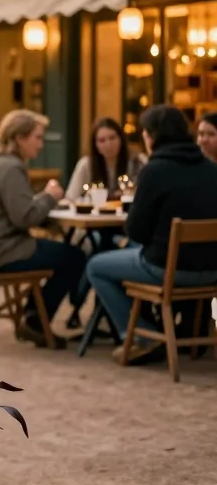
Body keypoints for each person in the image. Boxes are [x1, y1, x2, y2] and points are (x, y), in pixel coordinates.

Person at [86, 105, 217, 364]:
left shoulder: (154, 171)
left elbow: (136, 230)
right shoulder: (212, 169)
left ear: (151, 136)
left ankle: (144, 337)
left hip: (167, 270)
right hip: (213, 270)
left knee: (96, 265)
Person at [0, 109, 83, 348]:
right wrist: (49, 197)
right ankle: (35, 321)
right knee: (75, 258)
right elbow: (24, 218)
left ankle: (32, 313)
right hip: (4, 252)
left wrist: (42, 201)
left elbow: (15, 208)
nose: (41, 144)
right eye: (37, 137)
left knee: (65, 254)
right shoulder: (10, 167)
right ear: (19, 138)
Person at [65, 117, 146, 200]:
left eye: (112, 138)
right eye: (102, 140)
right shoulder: (86, 164)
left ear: (121, 139)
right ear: (95, 145)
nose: (108, 144)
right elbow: (71, 197)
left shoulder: (138, 161)